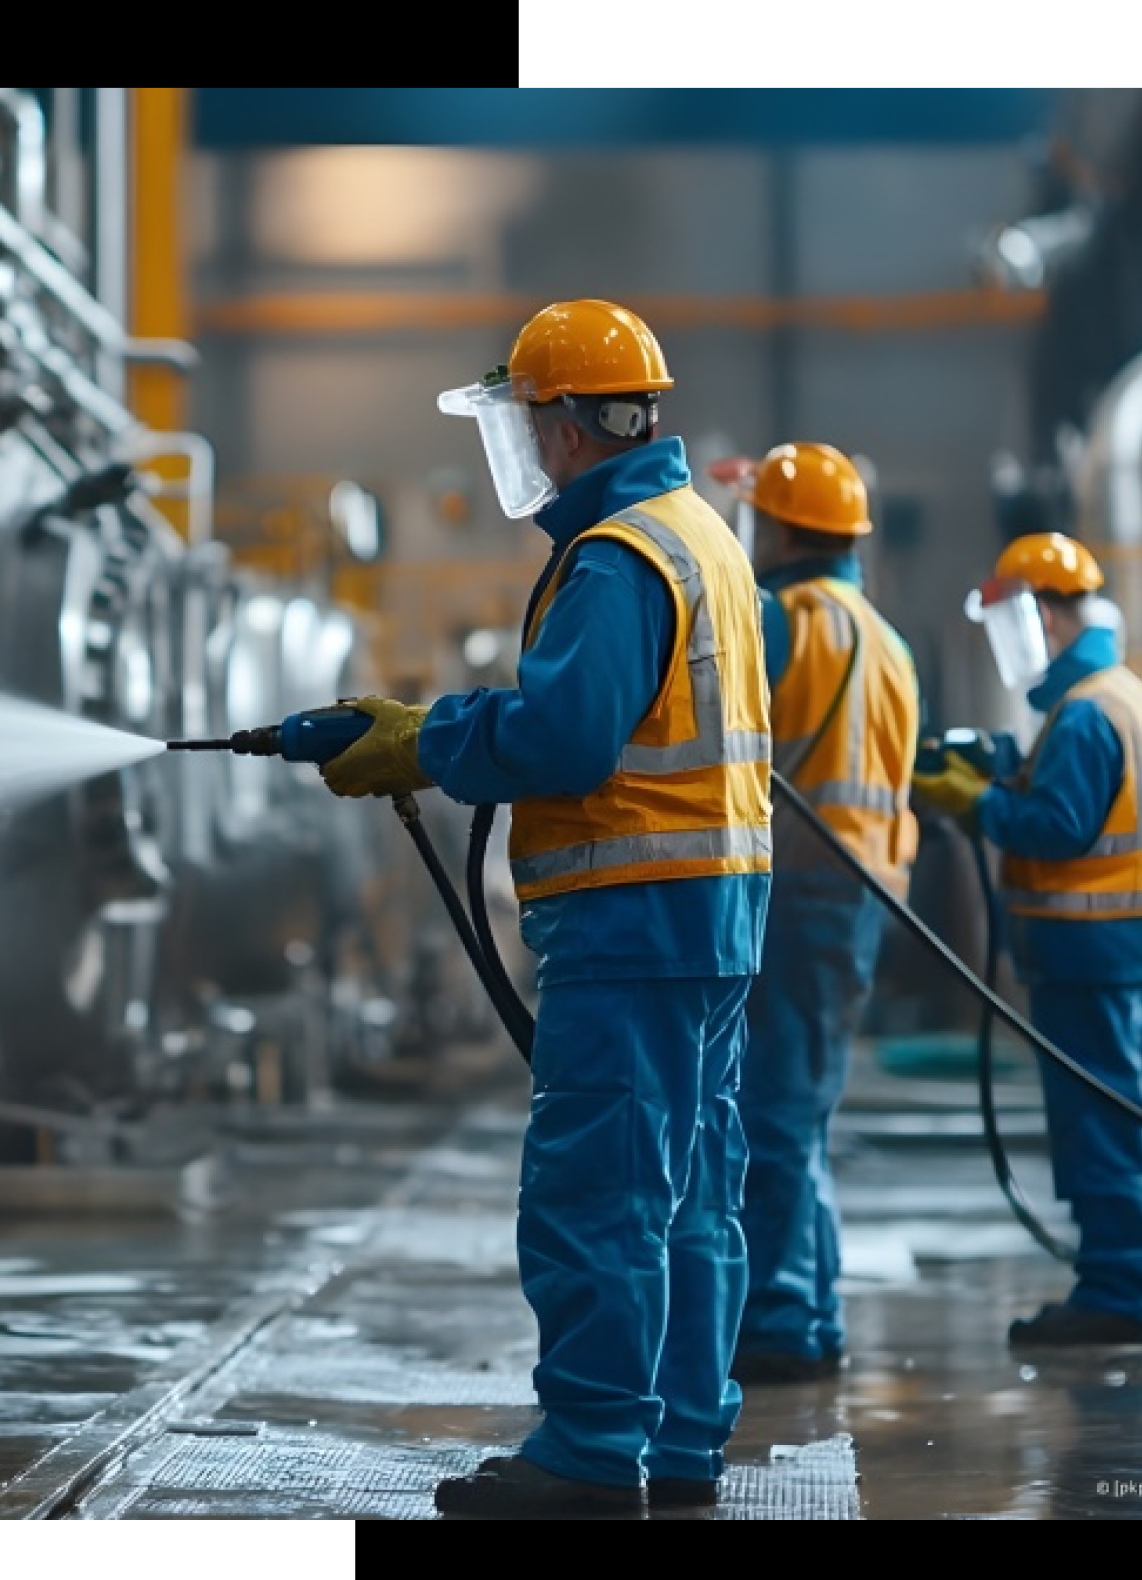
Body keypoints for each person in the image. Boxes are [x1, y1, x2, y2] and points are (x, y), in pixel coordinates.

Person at [318, 299, 773, 1517]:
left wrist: (426, 734)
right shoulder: (702, 537)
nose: (525, 446)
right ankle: (676, 1444)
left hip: (630, 920)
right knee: (690, 1192)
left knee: (599, 1192)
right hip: (710, 919)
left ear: (568, 427)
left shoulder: (620, 554)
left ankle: (585, 1454)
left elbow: (566, 736)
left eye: (526, 419)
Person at [912, 531, 1142, 1347]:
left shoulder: (1086, 715)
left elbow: (1058, 827)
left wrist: (974, 804)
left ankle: (1116, 1293)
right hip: (1122, 948)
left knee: (1101, 1121)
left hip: (1087, 951)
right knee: (1130, 1114)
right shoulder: (1117, 696)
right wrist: (991, 761)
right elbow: (1064, 787)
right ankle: (1128, 1273)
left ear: (1047, 617)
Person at [707, 441, 922, 1384]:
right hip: (864, 894)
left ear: (784, 527)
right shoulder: (886, 637)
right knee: (806, 1103)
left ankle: (779, 1318)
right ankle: (815, 1305)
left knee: (775, 1110)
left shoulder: (778, 616)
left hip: (793, 886)